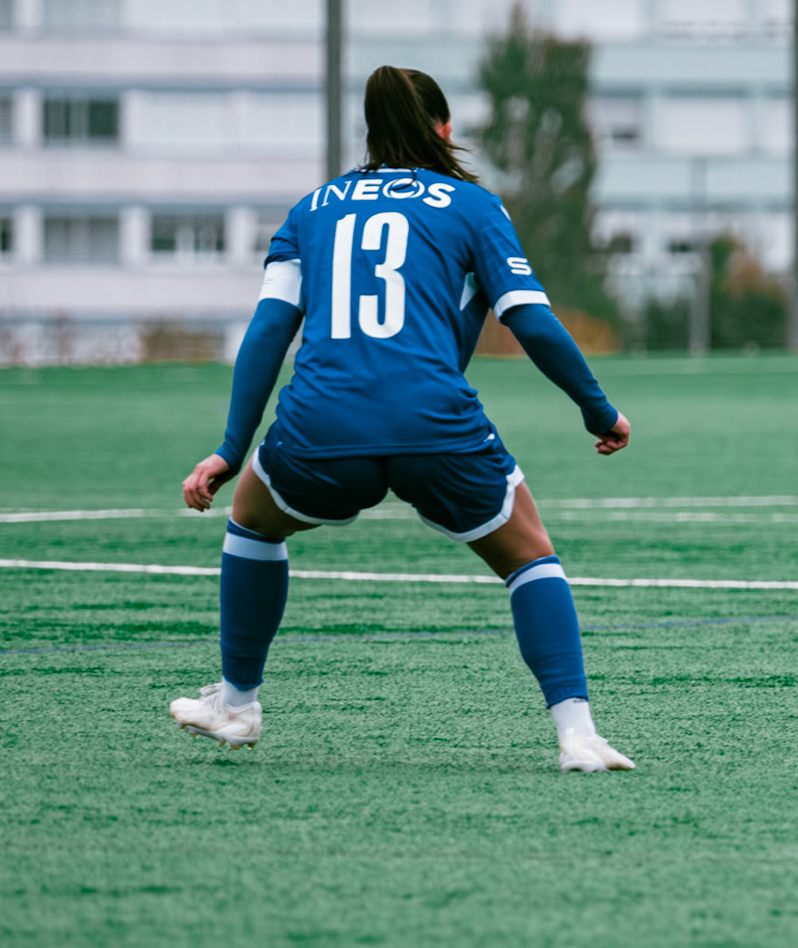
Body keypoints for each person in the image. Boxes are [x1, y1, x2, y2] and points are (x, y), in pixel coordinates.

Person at [172, 66, 637, 773]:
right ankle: (578, 734)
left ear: (371, 132)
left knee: (255, 520)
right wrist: (597, 410)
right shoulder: (474, 206)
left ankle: (236, 704)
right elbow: (530, 320)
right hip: (433, 423)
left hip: (322, 423)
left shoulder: (313, 209)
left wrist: (230, 449)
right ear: (444, 131)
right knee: (529, 555)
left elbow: (270, 330)